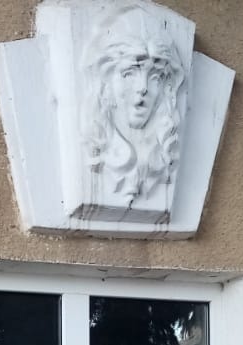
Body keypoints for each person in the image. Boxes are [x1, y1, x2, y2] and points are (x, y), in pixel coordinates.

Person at [82, 4, 187, 207]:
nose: (143, 88)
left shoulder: (163, 152)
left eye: (155, 77)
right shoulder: (98, 145)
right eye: (129, 74)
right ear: (106, 82)